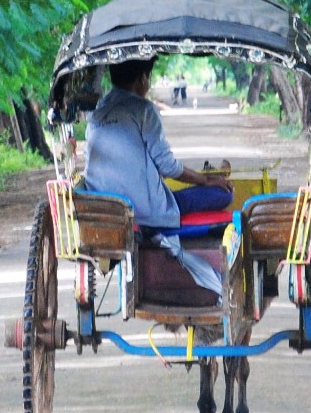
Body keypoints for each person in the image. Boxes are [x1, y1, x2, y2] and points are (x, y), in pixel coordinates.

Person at [84, 58, 230, 294]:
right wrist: (206, 179)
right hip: (147, 213)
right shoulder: (144, 109)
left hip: (105, 210)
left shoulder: (96, 113)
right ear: (143, 78)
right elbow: (168, 167)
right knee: (221, 195)